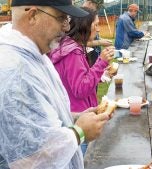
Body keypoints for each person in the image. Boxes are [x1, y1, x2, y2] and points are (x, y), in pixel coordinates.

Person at [0, 0, 110, 168]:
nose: (66, 28)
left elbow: (40, 121)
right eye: (61, 18)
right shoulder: (14, 70)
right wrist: (78, 132)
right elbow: (22, 158)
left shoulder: (36, 54)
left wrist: (73, 117)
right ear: (33, 16)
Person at [49, 7, 114, 155]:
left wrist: (98, 76)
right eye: (96, 24)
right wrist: (101, 63)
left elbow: (74, 81)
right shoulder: (73, 52)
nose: (98, 29)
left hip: (72, 114)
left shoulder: (67, 46)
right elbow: (80, 89)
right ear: (85, 25)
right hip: (79, 118)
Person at [82, 0, 113, 66]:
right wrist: (100, 42)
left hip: (94, 56)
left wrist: (102, 40)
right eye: (97, 7)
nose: (97, 10)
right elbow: (79, 42)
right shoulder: (79, 17)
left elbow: (93, 37)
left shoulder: (90, 15)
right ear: (90, 2)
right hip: (88, 60)